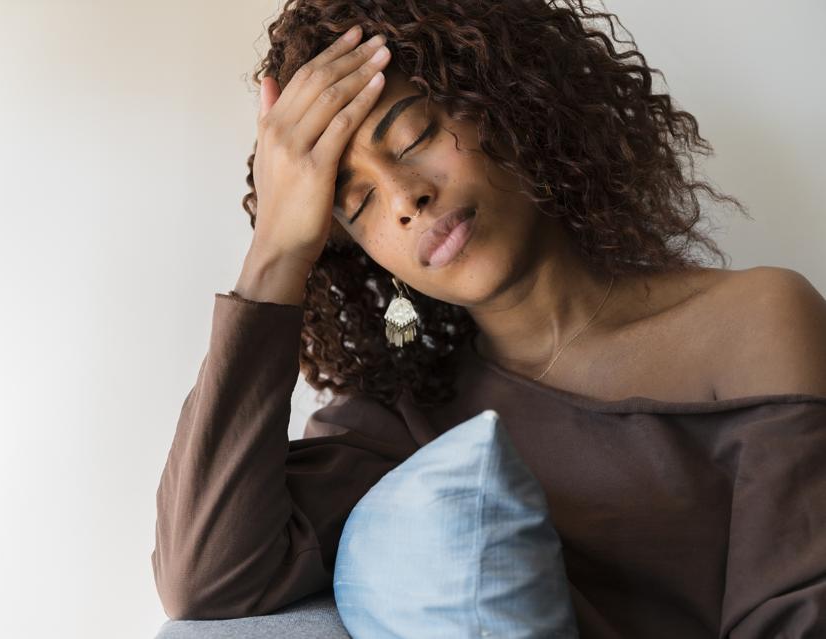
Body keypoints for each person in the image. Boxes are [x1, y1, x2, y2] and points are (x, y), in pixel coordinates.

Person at [151, 1, 826, 635]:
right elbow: (203, 577)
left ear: (506, 100)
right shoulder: (403, 423)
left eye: (412, 133)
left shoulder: (755, 322)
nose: (404, 198)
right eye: (357, 207)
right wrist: (276, 250)